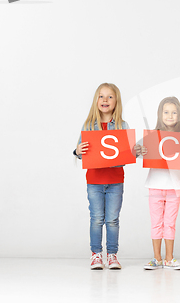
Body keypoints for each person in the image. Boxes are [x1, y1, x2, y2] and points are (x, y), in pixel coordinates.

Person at [74, 83, 129, 270]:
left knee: (112, 220)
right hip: (95, 181)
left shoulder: (122, 125)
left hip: (115, 181)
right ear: (96, 101)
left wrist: (135, 151)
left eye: (110, 97)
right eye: (101, 96)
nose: (105, 100)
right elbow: (82, 152)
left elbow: (125, 154)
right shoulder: (89, 125)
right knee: (96, 219)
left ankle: (112, 255)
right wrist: (77, 151)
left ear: (116, 102)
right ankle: (96, 255)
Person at [142, 97, 180, 270]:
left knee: (170, 222)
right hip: (156, 184)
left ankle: (169, 258)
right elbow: (142, 153)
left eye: (174, 112)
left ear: (179, 115)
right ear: (160, 114)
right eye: (166, 112)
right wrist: (141, 151)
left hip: (174, 185)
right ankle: (157, 258)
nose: (170, 116)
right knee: (156, 221)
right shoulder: (152, 137)